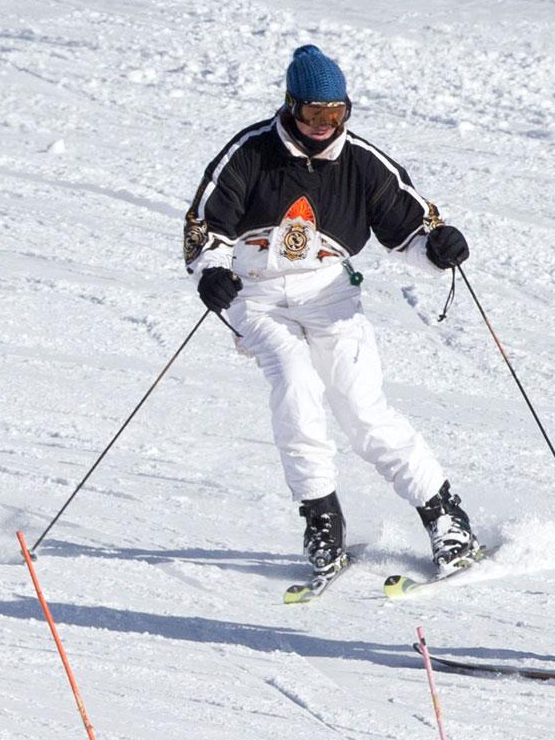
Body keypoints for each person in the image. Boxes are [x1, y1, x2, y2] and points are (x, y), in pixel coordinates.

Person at [182, 45, 481, 578]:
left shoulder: (363, 162)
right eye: (312, 115)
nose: (323, 126)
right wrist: (211, 270)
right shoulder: (250, 152)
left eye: (334, 114)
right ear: (290, 106)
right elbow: (208, 222)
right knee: (295, 383)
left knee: (361, 407)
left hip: (330, 293)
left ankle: (445, 517)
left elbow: (410, 226)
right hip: (257, 294)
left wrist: (437, 246)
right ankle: (321, 518)